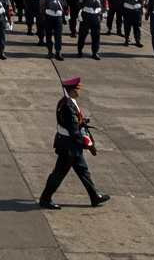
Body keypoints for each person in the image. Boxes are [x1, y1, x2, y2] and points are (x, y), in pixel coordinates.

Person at [39, 76, 110, 210]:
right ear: (71, 91)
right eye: (78, 89)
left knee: (83, 170)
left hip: (70, 145)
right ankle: (45, 199)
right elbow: (74, 131)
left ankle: (94, 196)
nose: (79, 91)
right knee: (59, 173)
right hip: (69, 146)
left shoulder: (68, 102)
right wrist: (87, 145)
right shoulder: (68, 106)